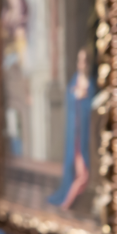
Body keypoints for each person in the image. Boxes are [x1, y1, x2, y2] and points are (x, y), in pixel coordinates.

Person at [48, 48, 97, 210]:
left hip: (83, 137)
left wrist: (83, 97)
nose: (81, 64)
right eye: (79, 60)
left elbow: (90, 106)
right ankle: (66, 203)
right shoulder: (75, 81)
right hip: (74, 135)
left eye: (84, 60)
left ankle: (66, 203)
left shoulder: (89, 83)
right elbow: (70, 99)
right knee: (77, 172)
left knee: (83, 174)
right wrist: (76, 95)